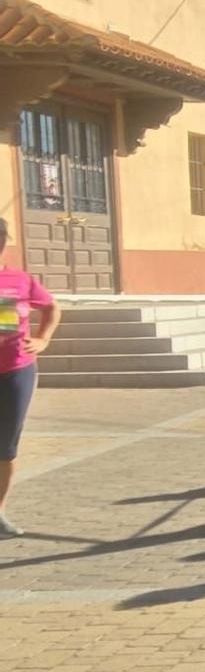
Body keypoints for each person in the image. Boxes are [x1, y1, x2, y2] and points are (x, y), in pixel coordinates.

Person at [0, 217, 58, 539]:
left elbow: (52, 308)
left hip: (15, 372)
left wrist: (43, 339)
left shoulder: (18, 280)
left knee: (5, 447)